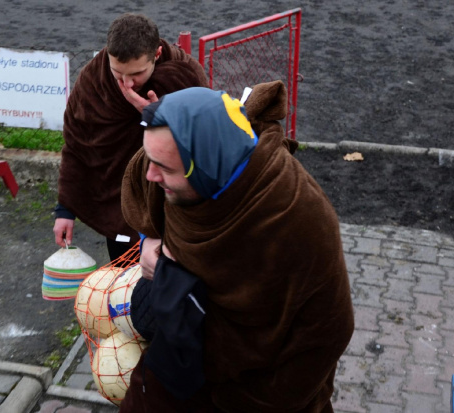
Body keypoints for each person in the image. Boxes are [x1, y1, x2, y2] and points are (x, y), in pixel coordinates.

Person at [119, 84, 355, 412]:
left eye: (165, 168)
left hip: (258, 394)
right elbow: (139, 184)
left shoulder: (299, 219)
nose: (150, 174)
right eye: (150, 158)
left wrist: (256, 403)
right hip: (180, 359)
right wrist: (151, 241)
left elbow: (329, 331)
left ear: (207, 166)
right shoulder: (171, 169)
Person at [53, 13, 208, 261]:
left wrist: (160, 117)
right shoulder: (92, 82)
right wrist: (65, 210)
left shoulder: (186, 79)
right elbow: (76, 146)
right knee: (124, 287)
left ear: (156, 55)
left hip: (176, 211)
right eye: (117, 73)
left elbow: (206, 142)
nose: (126, 84)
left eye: (136, 74)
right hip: (120, 211)